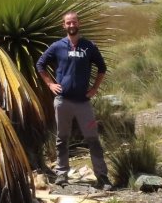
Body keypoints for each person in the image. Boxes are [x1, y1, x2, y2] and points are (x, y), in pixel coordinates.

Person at [36, 11, 112, 189]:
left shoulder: (89, 46)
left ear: (79, 24)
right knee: (62, 139)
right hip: (62, 101)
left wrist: (94, 88)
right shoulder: (57, 46)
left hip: (83, 103)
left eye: (74, 22)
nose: (71, 25)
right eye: (68, 23)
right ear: (64, 25)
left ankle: (102, 177)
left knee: (93, 139)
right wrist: (50, 84)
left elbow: (102, 68)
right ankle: (62, 174)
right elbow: (40, 64)